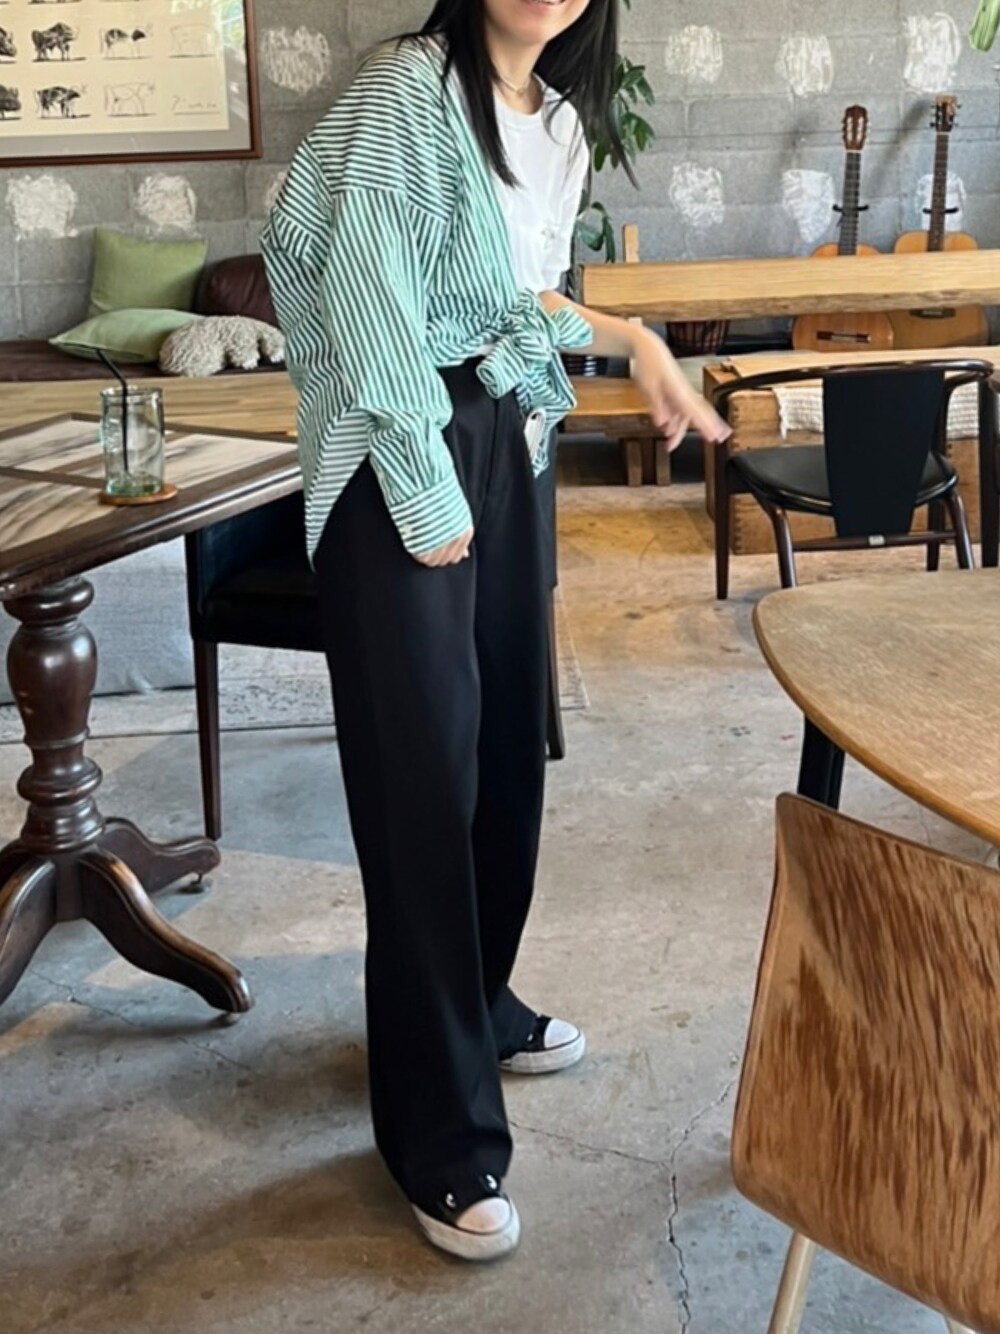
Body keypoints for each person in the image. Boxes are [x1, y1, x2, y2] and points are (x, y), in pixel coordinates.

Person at [260, 0, 729, 1263]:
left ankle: (477, 1002)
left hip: (505, 438)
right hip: (397, 454)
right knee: (423, 781)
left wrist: (633, 341)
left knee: (507, 754)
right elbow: (365, 294)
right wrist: (422, 487)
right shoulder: (401, 92)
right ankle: (439, 1131)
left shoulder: (559, 122)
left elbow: (515, 298)